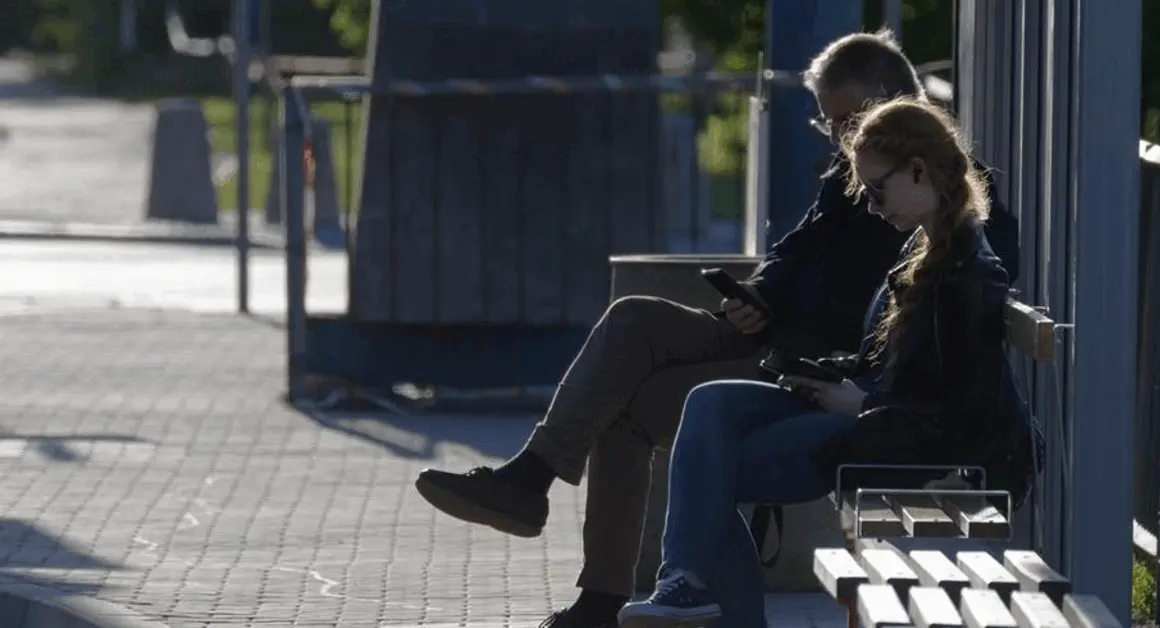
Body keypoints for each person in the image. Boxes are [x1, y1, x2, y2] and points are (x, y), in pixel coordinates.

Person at [414, 30, 1020, 628]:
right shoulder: (855, 182)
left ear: (899, 115)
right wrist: (759, 294)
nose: (842, 143)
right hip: (776, 339)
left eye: (848, 122)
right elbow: (795, 248)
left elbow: (936, 341)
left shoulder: (953, 209)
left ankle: (601, 598)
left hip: (816, 366)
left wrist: (849, 386)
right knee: (634, 320)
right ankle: (530, 479)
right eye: (830, 127)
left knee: (634, 413)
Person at [616, 98, 1039, 628]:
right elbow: (893, 362)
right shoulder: (926, 245)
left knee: (714, 471)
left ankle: (693, 589)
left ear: (919, 170)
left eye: (875, 188)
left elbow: (965, 415)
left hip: (902, 439)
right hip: (869, 410)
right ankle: (685, 584)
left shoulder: (970, 273)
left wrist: (863, 403)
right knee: (712, 401)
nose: (868, 204)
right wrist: (824, 371)